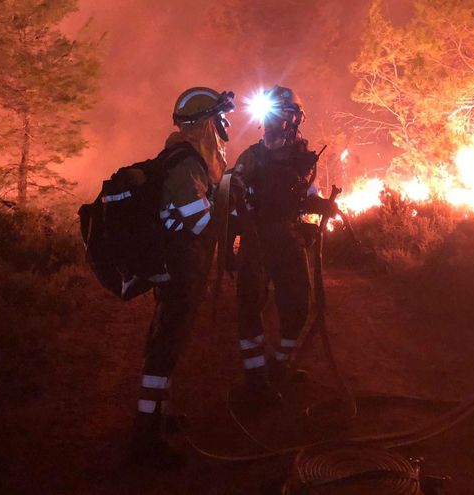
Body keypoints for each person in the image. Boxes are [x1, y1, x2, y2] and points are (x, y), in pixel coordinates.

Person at [131, 87, 233, 469]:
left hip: (181, 264)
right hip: (178, 266)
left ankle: (160, 415)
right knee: (165, 346)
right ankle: (145, 437)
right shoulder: (185, 163)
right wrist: (228, 203)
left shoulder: (190, 159)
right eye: (219, 119)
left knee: (171, 342)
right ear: (205, 123)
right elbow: (198, 220)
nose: (222, 128)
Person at [229, 85, 336, 406]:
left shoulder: (303, 160)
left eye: (282, 116)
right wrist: (233, 240)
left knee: (298, 305)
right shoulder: (250, 157)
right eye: (270, 116)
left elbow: (308, 196)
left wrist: (317, 212)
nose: (274, 123)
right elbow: (233, 200)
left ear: (295, 120)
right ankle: (256, 379)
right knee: (250, 307)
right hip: (256, 242)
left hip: (289, 240)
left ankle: (279, 364)